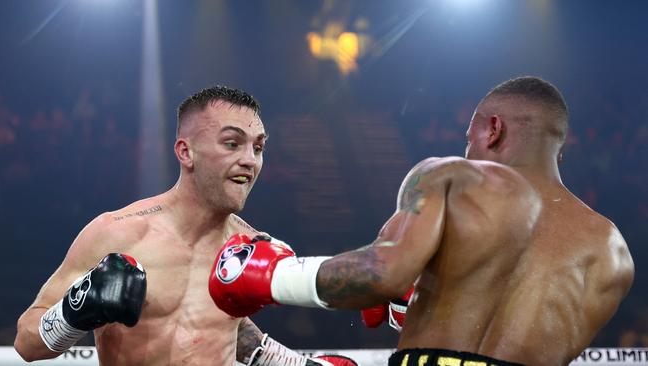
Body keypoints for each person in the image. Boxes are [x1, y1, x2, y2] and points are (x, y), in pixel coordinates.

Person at [209, 77, 635, 365]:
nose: (468, 151)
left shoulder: (453, 175)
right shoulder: (612, 250)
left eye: (469, 141)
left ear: (493, 130)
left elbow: (382, 274)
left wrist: (272, 275)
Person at [14, 86, 356, 366]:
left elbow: (235, 338)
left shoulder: (251, 248)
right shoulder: (116, 233)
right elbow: (27, 343)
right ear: (185, 152)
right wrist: (76, 310)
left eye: (259, 147)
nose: (250, 160)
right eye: (232, 143)